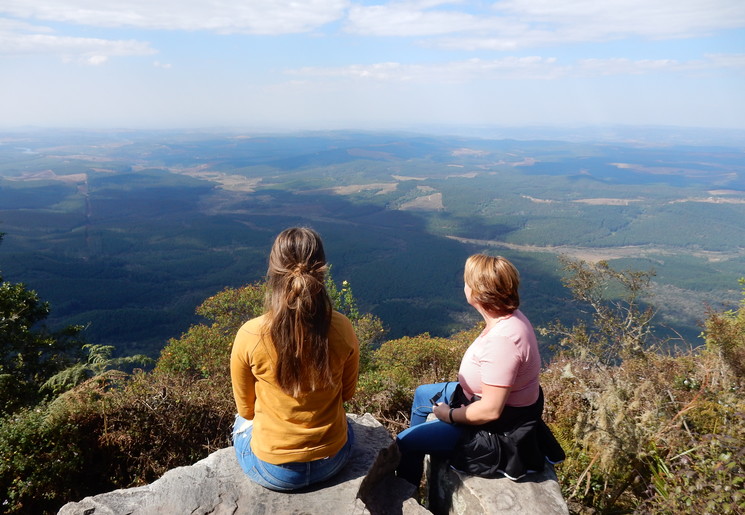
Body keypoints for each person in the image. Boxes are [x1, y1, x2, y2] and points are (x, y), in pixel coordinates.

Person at [396, 254, 564, 485]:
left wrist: (449, 415)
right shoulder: (508, 317)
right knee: (423, 393)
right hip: (472, 398)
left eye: (467, 282)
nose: (464, 286)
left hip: (494, 428)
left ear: (477, 292)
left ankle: (407, 488)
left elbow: (491, 411)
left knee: (405, 441)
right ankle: (421, 448)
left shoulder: (503, 340)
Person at [230, 227, 360, 491]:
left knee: (239, 422)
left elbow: (246, 411)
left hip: (274, 471)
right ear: (321, 269)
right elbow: (347, 394)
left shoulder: (251, 334)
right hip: (333, 459)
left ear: (274, 270)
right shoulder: (342, 327)